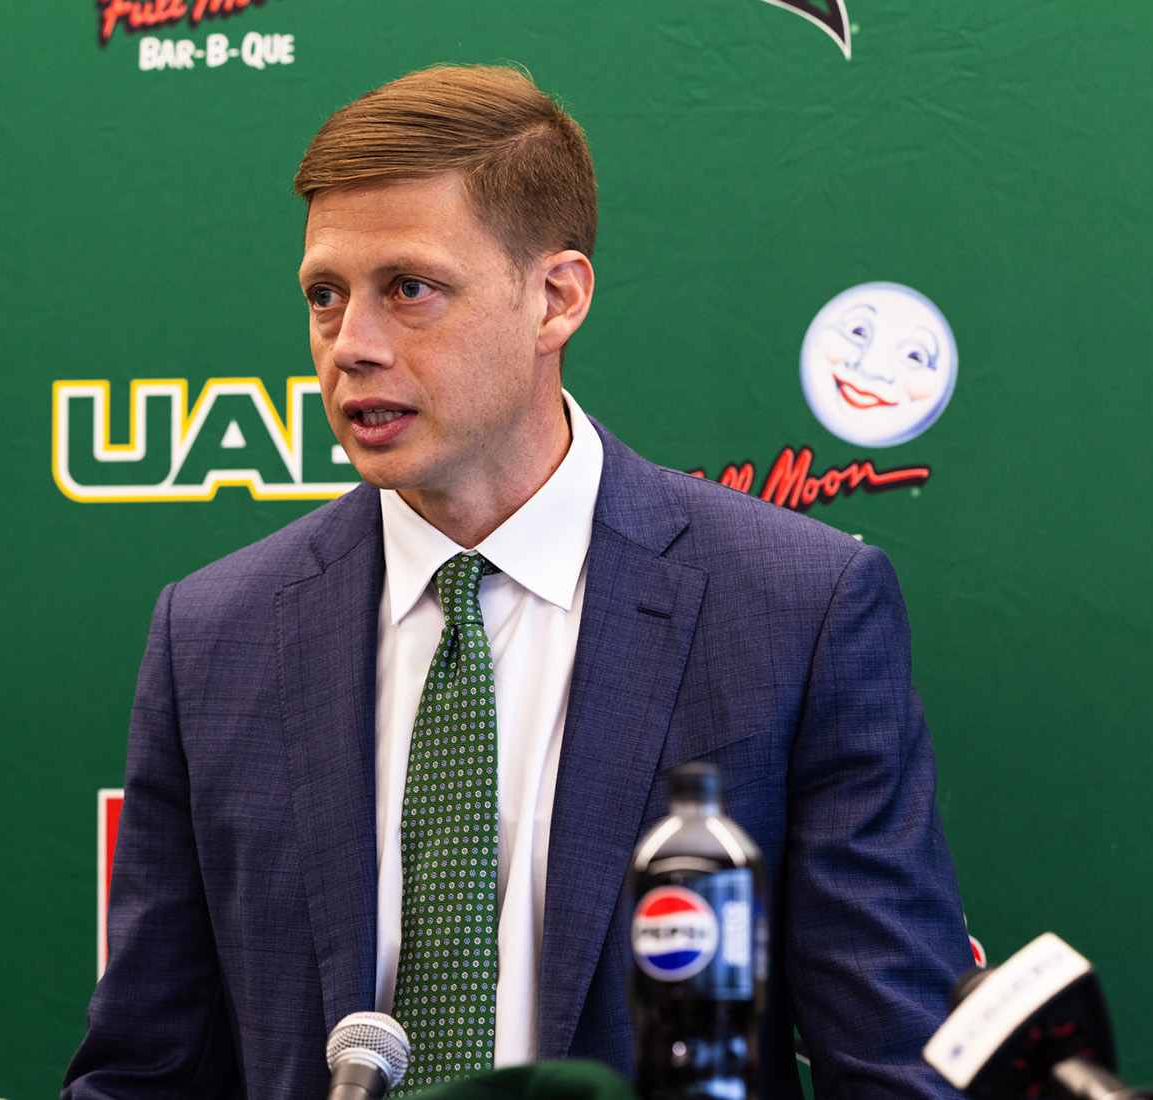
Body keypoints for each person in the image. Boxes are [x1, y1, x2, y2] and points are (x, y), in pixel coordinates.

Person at [64, 64, 970, 1100]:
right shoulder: (214, 634)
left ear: (555, 298)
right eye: (325, 295)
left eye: (409, 289)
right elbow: (147, 1073)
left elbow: (900, 1064)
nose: (351, 347)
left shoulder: (794, 610)